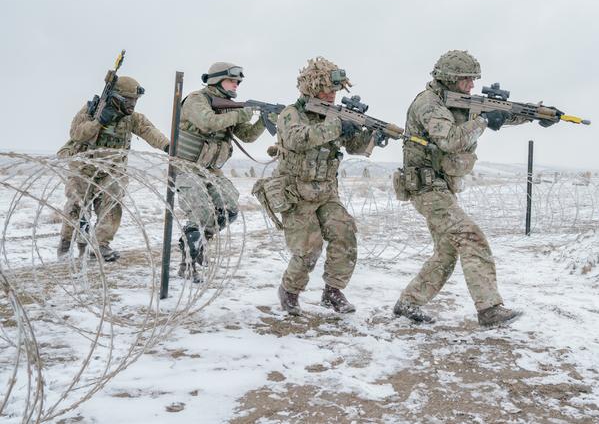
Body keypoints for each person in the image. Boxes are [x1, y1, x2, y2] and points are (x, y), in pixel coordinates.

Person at [393, 50, 557, 328]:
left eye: (473, 80)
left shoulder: (457, 101)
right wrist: (483, 121)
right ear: (449, 79)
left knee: (446, 252)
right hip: (425, 188)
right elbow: (450, 139)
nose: (471, 85)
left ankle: (409, 303)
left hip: (441, 187)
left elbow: (499, 114)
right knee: (471, 238)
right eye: (466, 80)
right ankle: (489, 309)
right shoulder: (429, 104)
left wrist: (534, 114)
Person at [270, 57, 377, 316]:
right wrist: (338, 124)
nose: (332, 95)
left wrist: (367, 135)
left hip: (326, 191)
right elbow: (298, 139)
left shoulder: (333, 115)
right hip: (297, 192)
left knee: (345, 234)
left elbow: (354, 148)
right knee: (308, 248)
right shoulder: (291, 114)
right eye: (326, 89)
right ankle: (290, 291)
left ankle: (333, 292)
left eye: (335, 90)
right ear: (311, 87)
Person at [57, 76, 169, 261]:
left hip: (112, 170)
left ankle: (100, 245)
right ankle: (66, 243)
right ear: (116, 97)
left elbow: (150, 131)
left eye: (135, 100)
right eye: (128, 99)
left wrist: (167, 146)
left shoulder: (132, 118)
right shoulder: (92, 110)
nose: (133, 104)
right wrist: (99, 122)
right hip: (84, 167)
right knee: (77, 206)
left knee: (112, 205)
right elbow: (77, 134)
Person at [174, 62, 267, 282]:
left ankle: (200, 243)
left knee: (230, 209)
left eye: (238, 82)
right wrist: (240, 114)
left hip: (211, 170)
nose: (236, 85)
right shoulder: (197, 100)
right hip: (187, 168)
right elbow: (207, 123)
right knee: (199, 213)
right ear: (216, 80)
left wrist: (264, 120)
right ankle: (187, 263)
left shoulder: (228, 106)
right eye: (232, 81)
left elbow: (248, 136)